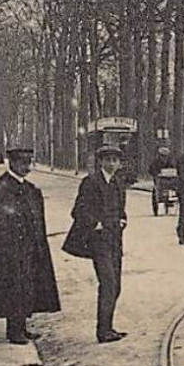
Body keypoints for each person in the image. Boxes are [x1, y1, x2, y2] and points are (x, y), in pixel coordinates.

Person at [0, 145, 61, 345]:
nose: (27, 167)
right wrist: (5, 241)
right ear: (12, 163)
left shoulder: (29, 188)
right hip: (10, 249)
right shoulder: (1, 187)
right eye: (22, 163)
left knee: (27, 287)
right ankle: (14, 331)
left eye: (28, 163)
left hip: (29, 247)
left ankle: (22, 327)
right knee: (14, 288)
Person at [69, 145, 129, 343]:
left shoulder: (119, 183)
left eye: (115, 160)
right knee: (108, 282)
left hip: (115, 240)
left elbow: (121, 209)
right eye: (108, 159)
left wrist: (123, 220)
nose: (112, 163)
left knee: (116, 285)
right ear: (100, 161)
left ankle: (108, 327)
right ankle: (102, 331)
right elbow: (78, 211)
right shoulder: (91, 182)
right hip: (99, 240)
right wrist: (96, 224)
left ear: (119, 163)